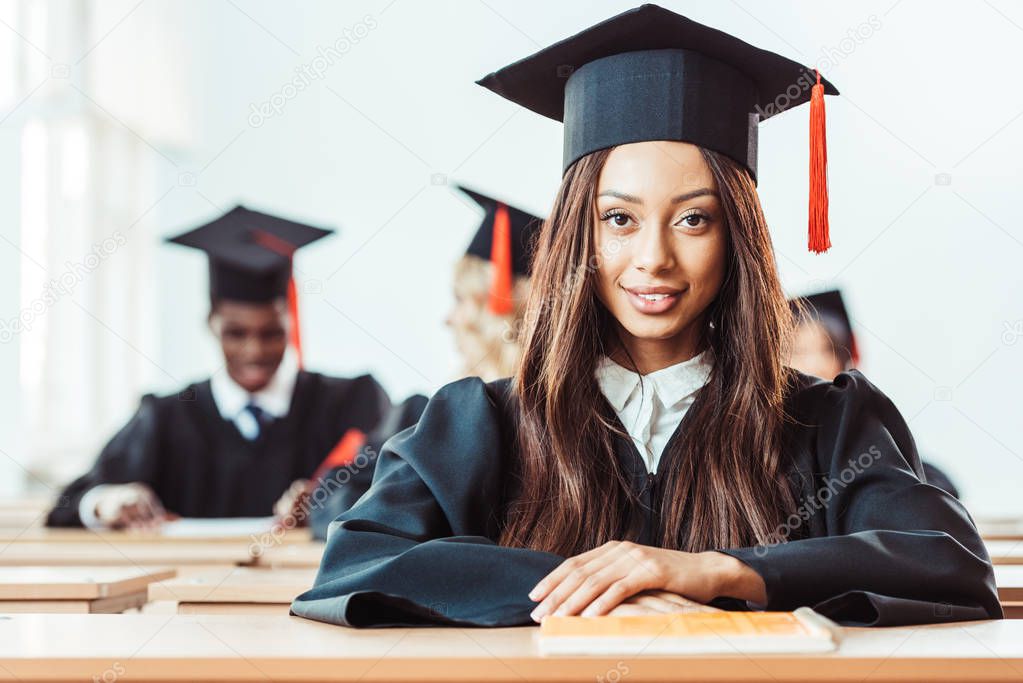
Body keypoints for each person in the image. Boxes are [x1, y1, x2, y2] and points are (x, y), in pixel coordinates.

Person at [292, 5, 1001, 627]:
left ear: (737, 238)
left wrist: (722, 572)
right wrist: (598, 589)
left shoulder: (827, 423)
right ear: (579, 234)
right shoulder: (485, 424)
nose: (653, 257)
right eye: (618, 219)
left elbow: (946, 562)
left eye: (693, 218)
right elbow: (356, 561)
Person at [46, 206, 391, 529]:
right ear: (211, 324)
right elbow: (70, 502)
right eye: (235, 333)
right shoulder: (167, 416)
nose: (253, 350)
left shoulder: (349, 403)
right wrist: (108, 501)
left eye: (271, 333)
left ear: (290, 325)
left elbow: (397, 493)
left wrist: (332, 502)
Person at [304, 185, 544, 539]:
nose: (449, 319)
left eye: (461, 300)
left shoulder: (439, 424)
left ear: (498, 310)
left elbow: (348, 512)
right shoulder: (564, 423)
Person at [789, 289, 961, 497]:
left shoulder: (875, 436)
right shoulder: (773, 455)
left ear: (847, 357)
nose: (812, 363)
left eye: (827, 349)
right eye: (798, 351)